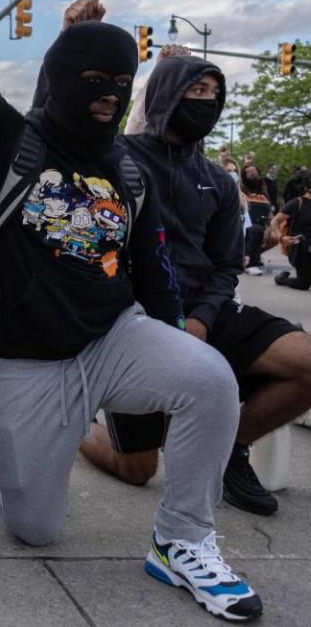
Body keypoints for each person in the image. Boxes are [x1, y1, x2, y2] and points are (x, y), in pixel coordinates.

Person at [0, 0, 260, 621]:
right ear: (58, 79)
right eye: (94, 79)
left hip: (113, 339)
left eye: (122, 85)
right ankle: (64, 433)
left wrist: (178, 343)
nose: (109, 95)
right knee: (34, 529)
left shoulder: (127, 170)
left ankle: (181, 540)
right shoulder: (7, 142)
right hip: (26, 360)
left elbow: (156, 278)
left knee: (209, 379)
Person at [73, 50, 311, 521]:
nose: (208, 101)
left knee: (306, 363)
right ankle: (80, 427)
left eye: (215, 94)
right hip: (134, 322)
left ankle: (228, 451)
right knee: (137, 469)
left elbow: (227, 266)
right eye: (196, 90)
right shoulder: (114, 158)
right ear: (165, 95)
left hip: (207, 311)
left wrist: (202, 320)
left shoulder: (218, 182)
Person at [273, 169, 311, 290]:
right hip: (301, 250)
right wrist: (281, 237)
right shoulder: (297, 203)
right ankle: (281, 279)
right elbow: (275, 221)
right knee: (303, 284)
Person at [241, 164, 272, 275]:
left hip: (261, 223)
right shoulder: (240, 190)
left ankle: (255, 255)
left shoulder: (263, 192)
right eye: (249, 172)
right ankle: (250, 263)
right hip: (243, 223)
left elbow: (270, 212)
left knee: (274, 236)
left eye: (254, 172)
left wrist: (270, 227)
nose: (253, 175)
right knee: (255, 230)